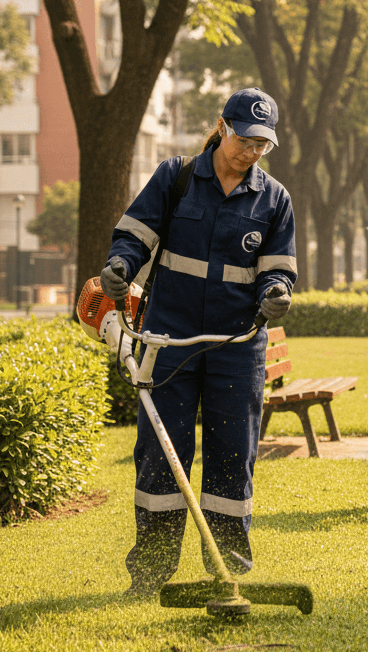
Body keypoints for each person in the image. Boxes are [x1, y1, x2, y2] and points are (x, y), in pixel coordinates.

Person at [99, 88, 296, 594]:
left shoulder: (274, 199)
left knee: (233, 456)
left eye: (262, 145)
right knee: (162, 455)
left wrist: (276, 293)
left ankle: (227, 570)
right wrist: (121, 265)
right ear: (221, 126)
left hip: (238, 345)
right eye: (244, 139)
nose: (251, 152)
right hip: (169, 342)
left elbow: (278, 270)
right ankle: (150, 573)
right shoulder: (176, 177)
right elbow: (134, 235)